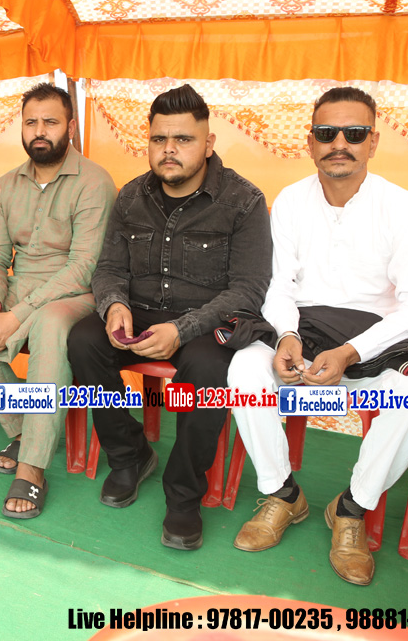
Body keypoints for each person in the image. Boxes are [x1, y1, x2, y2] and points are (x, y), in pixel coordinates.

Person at [228, 86, 408, 586]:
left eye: (354, 133)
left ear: (373, 142)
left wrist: (350, 352)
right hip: (304, 332)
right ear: (310, 142)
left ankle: (351, 508)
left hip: (376, 341)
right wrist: (286, 335)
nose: (339, 143)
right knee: (243, 369)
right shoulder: (290, 201)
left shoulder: (403, 206)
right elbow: (278, 286)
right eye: (327, 133)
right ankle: (283, 494)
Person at [67, 84, 272, 550]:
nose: (169, 150)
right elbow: (109, 269)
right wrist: (114, 305)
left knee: (209, 367)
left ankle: (183, 495)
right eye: (159, 139)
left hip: (206, 321)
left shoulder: (243, 201)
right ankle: (129, 455)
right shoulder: (131, 196)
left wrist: (182, 330)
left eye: (183, 139)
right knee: (84, 339)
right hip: (140, 311)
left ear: (208, 143)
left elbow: (248, 290)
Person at [0, 82, 116, 519]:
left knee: (50, 327)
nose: (39, 131)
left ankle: (33, 466)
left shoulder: (94, 182)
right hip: (17, 287)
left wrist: (16, 316)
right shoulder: (6, 185)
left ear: (70, 127)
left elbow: (84, 266)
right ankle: (25, 429)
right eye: (31, 122)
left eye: (50, 122)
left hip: (73, 293)